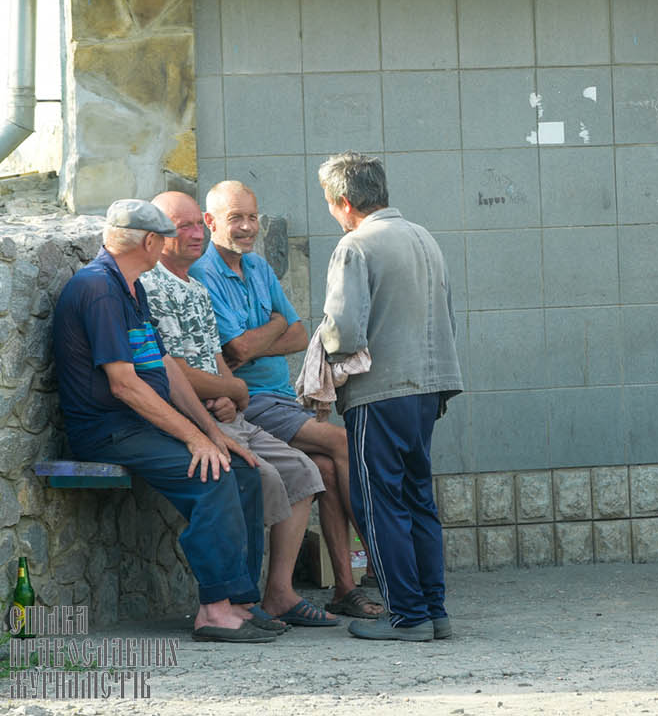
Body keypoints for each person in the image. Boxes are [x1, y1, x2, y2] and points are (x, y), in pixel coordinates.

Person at [143, 191, 369, 626]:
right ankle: (378, 563)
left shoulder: (234, 274)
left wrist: (242, 369)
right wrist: (257, 353)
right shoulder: (185, 278)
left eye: (253, 217)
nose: (247, 227)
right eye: (235, 218)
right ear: (211, 222)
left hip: (251, 404)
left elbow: (298, 335)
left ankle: (308, 590)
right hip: (237, 407)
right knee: (330, 446)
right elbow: (224, 354)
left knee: (314, 470)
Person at [52, 199, 273, 644]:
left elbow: (165, 368)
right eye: (166, 236)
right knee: (213, 476)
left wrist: (214, 434)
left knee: (243, 470)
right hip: (109, 429)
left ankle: (239, 602)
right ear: (150, 241)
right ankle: (213, 610)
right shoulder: (98, 289)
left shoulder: (132, 286)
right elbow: (124, 386)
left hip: (139, 424)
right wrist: (195, 441)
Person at [316, 152, 462, 642]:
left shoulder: (355, 246)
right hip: (430, 384)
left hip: (380, 391)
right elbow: (447, 315)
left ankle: (408, 616)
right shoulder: (424, 237)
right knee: (419, 497)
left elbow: (343, 333)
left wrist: (322, 354)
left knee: (379, 502)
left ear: (343, 201)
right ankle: (433, 611)